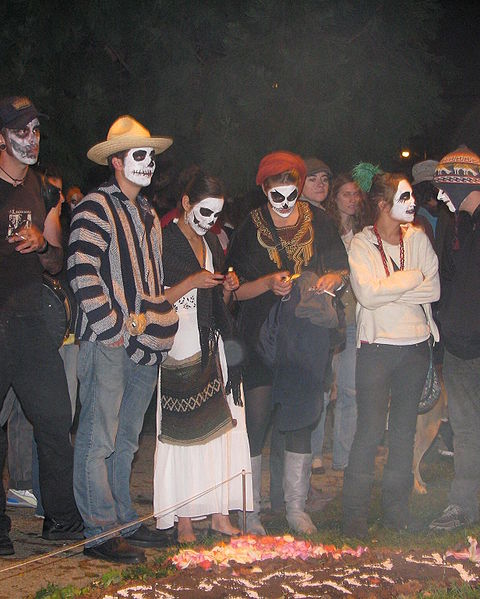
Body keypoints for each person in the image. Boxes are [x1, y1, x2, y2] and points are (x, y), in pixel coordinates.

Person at [68, 115, 179, 563]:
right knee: (99, 436)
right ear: (116, 161)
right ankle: (98, 530)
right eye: (138, 155)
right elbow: (81, 269)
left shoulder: (148, 213)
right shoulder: (96, 206)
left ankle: (122, 519)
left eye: (150, 155)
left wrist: (156, 325)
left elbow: (150, 279)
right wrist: (114, 327)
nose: (147, 163)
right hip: (108, 341)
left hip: (144, 346)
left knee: (127, 438)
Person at [228, 151, 348, 534]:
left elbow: (340, 267)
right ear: (263, 190)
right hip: (260, 338)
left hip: (305, 337)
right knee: (256, 422)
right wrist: (267, 283)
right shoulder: (250, 228)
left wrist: (330, 280)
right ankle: (250, 510)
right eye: (275, 194)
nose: (284, 202)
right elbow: (234, 291)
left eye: (291, 192)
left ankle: (296, 507)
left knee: (300, 418)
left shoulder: (320, 222)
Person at [0, 96, 83, 555]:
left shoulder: (42, 188)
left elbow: (55, 261)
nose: (31, 138)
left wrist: (42, 243)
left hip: (31, 316)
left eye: (35, 129)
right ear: (1, 137)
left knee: (54, 418)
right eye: (20, 130)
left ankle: (63, 522)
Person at [153, 169, 252, 543]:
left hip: (211, 341)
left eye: (216, 215)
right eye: (204, 212)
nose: (210, 221)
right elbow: (155, 299)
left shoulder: (212, 244)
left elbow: (216, 302)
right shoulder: (164, 242)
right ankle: (183, 519)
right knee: (183, 430)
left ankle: (218, 511)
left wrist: (227, 286)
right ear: (186, 203)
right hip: (180, 343)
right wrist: (190, 283)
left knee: (222, 426)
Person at [342, 168, 440, 538]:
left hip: (414, 348)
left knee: (403, 434)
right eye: (404, 197)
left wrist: (390, 288)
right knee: (368, 432)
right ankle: (354, 518)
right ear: (383, 204)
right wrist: (412, 278)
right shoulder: (361, 244)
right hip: (377, 348)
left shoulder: (418, 240)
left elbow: (434, 291)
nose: (413, 203)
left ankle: (396, 515)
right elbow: (366, 295)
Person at [429, 147, 480, 530]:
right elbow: (447, 280)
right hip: (460, 347)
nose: (440, 196)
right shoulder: (454, 225)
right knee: (464, 428)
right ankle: (462, 505)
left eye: (445, 187)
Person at [325, 173, 367, 471]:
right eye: (346, 194)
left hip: (354, 317)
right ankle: (313, 457)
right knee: (323, 390)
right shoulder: (324, 230)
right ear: (335, 198)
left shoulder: (365, 233)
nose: (352, 200)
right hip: (327, 317)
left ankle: (344, 460)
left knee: (350, 391)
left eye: (356, 194)